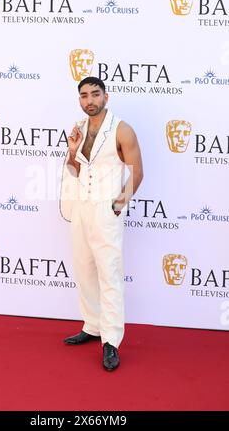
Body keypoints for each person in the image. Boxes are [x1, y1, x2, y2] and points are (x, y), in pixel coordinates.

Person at [60, 76, 143, 371]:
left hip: (106, 210)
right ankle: (92, 326)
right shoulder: (79, 129)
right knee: (84, 269)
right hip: (81, 207)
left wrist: (117, 206)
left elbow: (137, 172)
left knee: (109, 274)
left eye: (95, 94)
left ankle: (111, 341)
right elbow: (72, 170)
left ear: (106, 97)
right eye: (84, 95)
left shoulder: (122, 129)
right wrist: (72, 150)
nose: (89, 100)